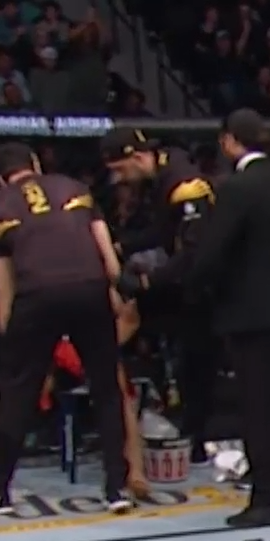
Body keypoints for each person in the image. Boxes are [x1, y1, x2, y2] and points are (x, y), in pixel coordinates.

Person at [0, 142, 132, 512]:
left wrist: (12, 344)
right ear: (35, 164)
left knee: (17, 393)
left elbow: (4, 288)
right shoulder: (75, 188)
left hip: (37, 294)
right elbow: (110, 261)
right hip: (90, 288)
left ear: (0, 179)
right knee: (107, 388)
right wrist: (111, 294)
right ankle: (116, 488)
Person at [186, 109, 270, 527]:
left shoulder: (237, 188)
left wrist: (199, 288)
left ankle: (268, 497)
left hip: (250, 313)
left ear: (230, 141)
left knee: (258, 407)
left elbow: (213, 252)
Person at [101, 128, 222, 459]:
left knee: (197, 362)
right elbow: (164, 231)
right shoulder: (162, 177)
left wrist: (148, 283)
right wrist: (122, 246)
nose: (120, 179)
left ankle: (195, 437)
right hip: (185, 281)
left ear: (138, 157)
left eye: (121, 169)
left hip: (205, 286)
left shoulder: (184, 184)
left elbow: (193, 253)